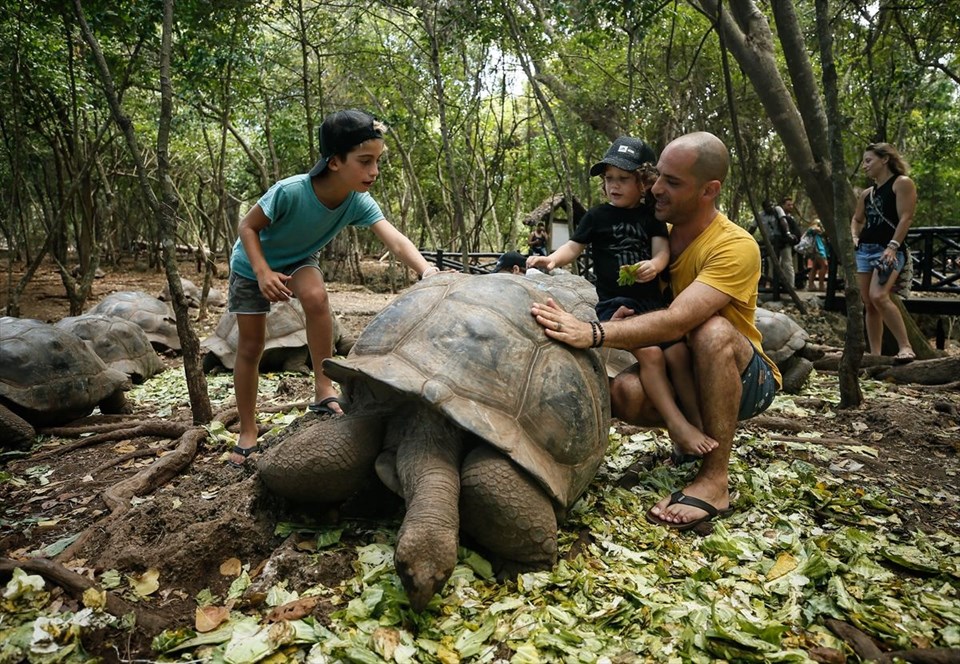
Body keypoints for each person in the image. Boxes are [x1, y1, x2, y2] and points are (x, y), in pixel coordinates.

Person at [530, 132, 781, 531]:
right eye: (658, 176)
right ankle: (688, 442)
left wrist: (593, 332)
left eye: (673, 182)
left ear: (709, 190)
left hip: (744, 376)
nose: (658, 188)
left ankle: (715, 480)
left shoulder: (735, 245)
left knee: (710, 331)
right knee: (624, 391)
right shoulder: (651, 227)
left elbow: (680, 319)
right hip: (679, 363)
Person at [226, 109, 439, 468]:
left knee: (316, 297)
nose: (374, 171)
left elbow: (396, 241)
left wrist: (426, 271)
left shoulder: (357, 201)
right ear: (335, 161)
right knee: (251, 347)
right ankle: (248, 430)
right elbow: (248, 227)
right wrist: (262, 273)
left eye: (377, 161)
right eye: (365, 161)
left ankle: (323, 389)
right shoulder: (291, 191)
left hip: (299, 260)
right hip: (252, 265)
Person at [528, 136, 717, 462]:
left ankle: (698, 423)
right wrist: (551, 260)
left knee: (679, 356)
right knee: (652, 356)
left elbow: (662, 252)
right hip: (615, 305)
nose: (613, 186)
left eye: (623, 179)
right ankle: (676, 426)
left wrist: (654, 266)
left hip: (652, 306)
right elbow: (574, 247)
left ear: (643, 183)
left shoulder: (651, 218)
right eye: (608, 179)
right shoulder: (597, 217)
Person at [850, 142, 917, 363]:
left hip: (888, 250)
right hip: (865, 251)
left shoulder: (902, 184)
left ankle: (905, 347)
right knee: (869, 303)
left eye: (868, 160)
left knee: (879, 296)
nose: (864, 166)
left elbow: (906, 217)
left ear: (885, 159)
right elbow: (857, 220)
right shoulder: (867, 194)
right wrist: (854, 236)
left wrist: (892, 246)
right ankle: (875, 355)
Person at [754, 199, 797, 289]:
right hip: (771, 243)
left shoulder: (778, 210)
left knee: (787, 263)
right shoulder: (760, 215)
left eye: (772, 205)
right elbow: (753, 227)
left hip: (783, 240)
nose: (771, 207)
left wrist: (788, 233)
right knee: (772, 264)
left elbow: (783, 221)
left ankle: (790, 286)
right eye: (768, 206)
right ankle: (772, 285)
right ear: (764, 208)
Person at [801, 219, 830, 292]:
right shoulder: (815, 230)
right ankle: (821, 285)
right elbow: (811, 230)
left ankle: (811, 285)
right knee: (824, 266)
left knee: (815, 267)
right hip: (818, 250)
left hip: (820, 250)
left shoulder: (822, 233)